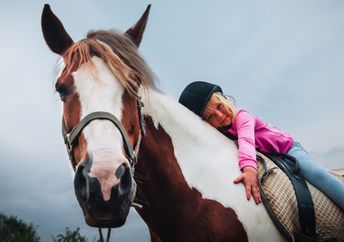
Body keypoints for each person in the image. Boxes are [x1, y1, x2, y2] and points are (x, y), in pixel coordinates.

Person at [179, 81, 344, 210]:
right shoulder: (221, 135)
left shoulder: (242, 117)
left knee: (317, 174)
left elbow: (247, 142)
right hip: (271, 159)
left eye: (220, 106)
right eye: (211, 117)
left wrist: (249, 169)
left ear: (223, 99)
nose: (220, 115)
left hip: (287, 149)